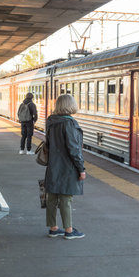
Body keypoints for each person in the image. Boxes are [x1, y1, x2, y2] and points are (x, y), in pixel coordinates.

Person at [45, 94, 86, 239]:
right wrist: (81, 169)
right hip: (67, 166)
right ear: (71, 105)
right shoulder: (69, 123)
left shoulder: (51, 121)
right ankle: (69, 230)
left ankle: (53, 228)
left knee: (51, 197)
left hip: (53, 164)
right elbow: (74, 149)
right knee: (65, 198)